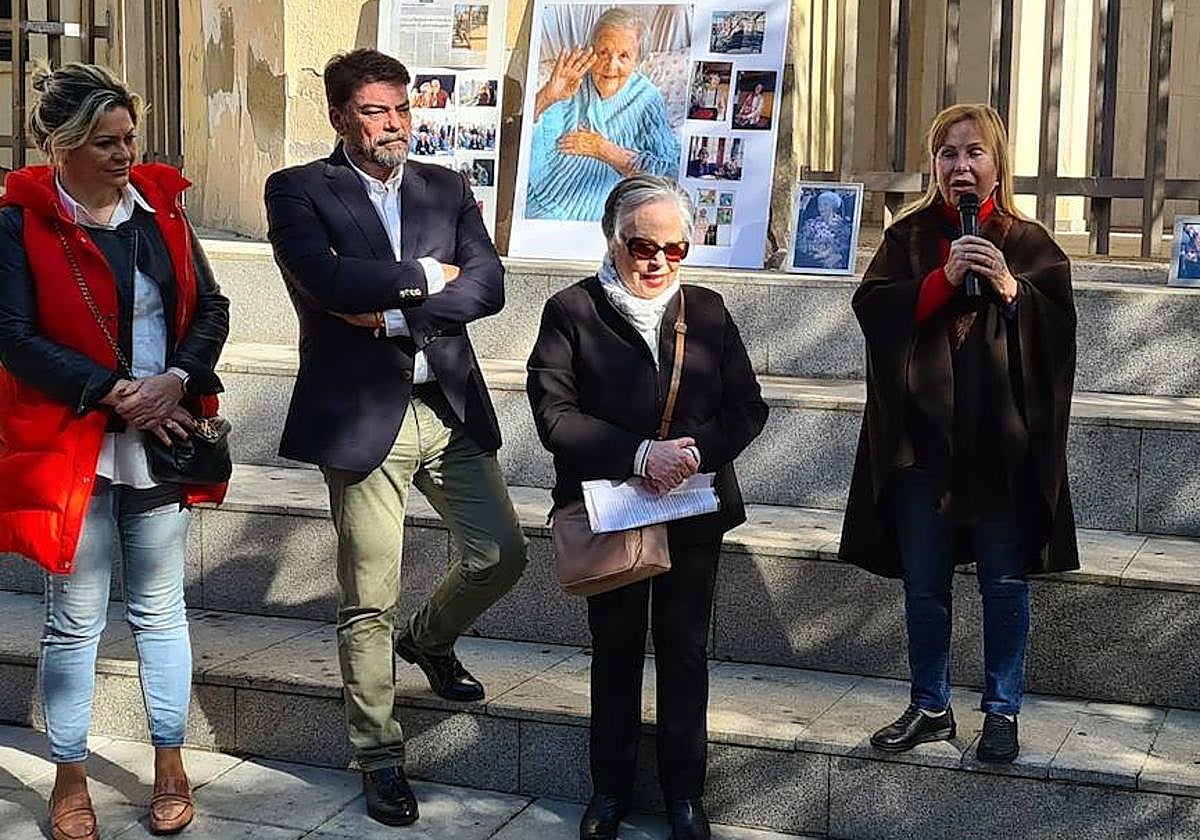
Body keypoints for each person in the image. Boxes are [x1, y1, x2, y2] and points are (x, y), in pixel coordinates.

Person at [264, 48, 528, 827]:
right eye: (376, 111)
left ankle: (431, 639)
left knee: (501, 556)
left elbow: (490, 285)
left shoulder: (446, 185)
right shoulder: (299, 189)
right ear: (341, 116)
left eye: (403, 109)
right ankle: (379, 756)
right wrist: (429, 274)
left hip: (446, 407)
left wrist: (393, 310)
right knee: (368, 598)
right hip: (361, 415)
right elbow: (327, 282)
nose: (394, 125)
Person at [0, 63, 230, 840]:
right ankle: (69, 775)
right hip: (73, 443)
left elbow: (212, 307)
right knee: (74, 620)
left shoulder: (161, 209)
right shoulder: (17, 224)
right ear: (61, 146)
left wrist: (174, 377)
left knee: (161, 611)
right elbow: (13, 338)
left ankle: (169, 762)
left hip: (162, 440)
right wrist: (111, 390)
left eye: (131, 137)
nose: (126, 153)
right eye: (106, 141)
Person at [527, 174, 768, 840]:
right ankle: (609, 792)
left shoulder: (710, 311)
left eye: (675, 248)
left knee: (685, 650)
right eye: (642, 245)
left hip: (692, 508)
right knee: (616, 649)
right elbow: (553, 415)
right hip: (612, 509)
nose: (658, 261)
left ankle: (684, 796)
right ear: (613, 238)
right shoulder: (572, 311)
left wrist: (693, 452)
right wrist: (640, 455)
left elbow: (748, 408)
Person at [840, 103, 1078, 764]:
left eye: (974, 152)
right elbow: (875, 312)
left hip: (999, 449)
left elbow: (1058, 335)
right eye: (948, 154)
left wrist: (1009, 287)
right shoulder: (908, 238)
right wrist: (942, 280)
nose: (960, 166)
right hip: (924, 447)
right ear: (934, 165)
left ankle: (1001, 710)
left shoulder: (1028, 241)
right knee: (925, 584)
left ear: (996, 163)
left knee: (1004, 583)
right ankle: (930, 704)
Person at [526, 8, 681, 221]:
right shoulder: (573, 80)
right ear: (592, 51)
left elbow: (668, 174)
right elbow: (528, 148)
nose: (611, 65)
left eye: (623, 56)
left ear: (637, 60)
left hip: (594, 221)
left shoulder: (647, 98)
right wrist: (547, 97)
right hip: (539, 204)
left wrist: (603, 149)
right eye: (603, 53)